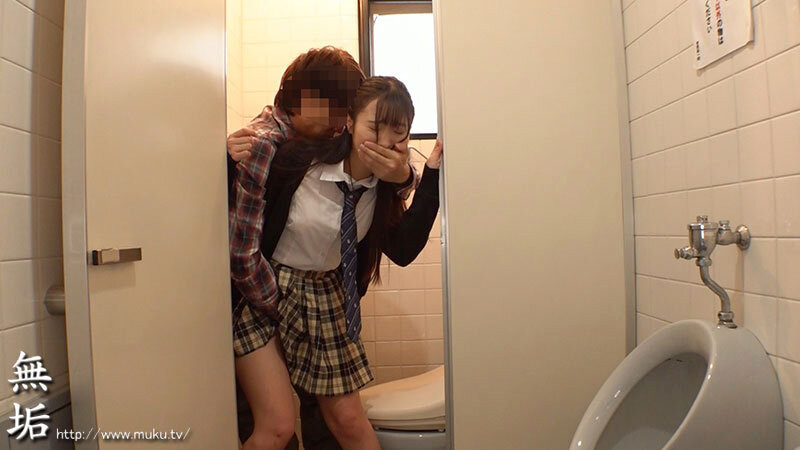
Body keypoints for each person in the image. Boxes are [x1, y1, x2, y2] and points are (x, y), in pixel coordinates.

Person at [228, 47, 441, 450]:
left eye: (398, 132)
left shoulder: (383, 185)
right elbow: (241, 228)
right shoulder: (289, 157)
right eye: (374, 127)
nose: (386, 142)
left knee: (347, 420)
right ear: (349, 121)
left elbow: (403, 247)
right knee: (276, 427)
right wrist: (224, 157)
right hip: (265, 291)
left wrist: (421, 175)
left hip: (328, 297)